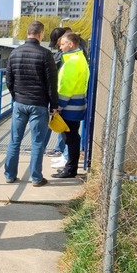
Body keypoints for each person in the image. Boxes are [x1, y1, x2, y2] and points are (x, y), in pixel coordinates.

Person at [3, 21, 60, 186]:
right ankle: (36, 178)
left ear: (28, 33)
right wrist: (53, 105)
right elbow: (52, 83)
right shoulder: (45, 54)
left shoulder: (14, 53)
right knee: (37, 142)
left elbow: (9, 80)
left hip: (20, 103)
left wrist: (16, 95)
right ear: (41, 33)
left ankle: (9, 175)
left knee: (14, 140)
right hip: (39, 104)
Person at [52, 31, 90, 178]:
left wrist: (58, 107)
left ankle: (70, 170)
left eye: (62, 44)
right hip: (76, 105)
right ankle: (70, 168)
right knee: (72, 138)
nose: (60, 48)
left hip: (69, 107)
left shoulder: (73, 62)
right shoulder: (79, 59)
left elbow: (66, 88)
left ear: (71, 44)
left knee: (70, 138)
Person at [46, 26, 70, 162]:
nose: (58, 47)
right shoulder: (68, 52)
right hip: (61, 92)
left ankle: (62, 151)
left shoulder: (68, 55)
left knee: (63, 122)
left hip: (63, 94)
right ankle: (61, 150)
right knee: (59, 120)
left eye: (58, 44)